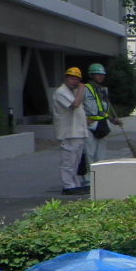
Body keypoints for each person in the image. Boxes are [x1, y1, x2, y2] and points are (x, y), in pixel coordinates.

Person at [53, 67, 89, 195]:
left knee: (76, 161)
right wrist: (81, 89)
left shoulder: (72, 92)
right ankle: (68, 185)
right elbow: (75, 105)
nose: (74, 81)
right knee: (68, 160)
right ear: (66, 78)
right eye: (72, 78)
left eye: (77, 79)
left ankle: (75, 184)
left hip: (77, 132)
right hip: (68, 133)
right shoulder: (61, 92)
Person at [81, 63, 121, 166]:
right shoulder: (84, 89)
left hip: (102, 125)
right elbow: (77, 107)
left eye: (102, 74)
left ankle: (98, 178)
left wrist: (113, 120)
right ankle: (89, 180)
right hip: (89, 126)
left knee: (101, 156)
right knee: (89, 154)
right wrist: (84, 119)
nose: (100, 76)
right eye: (97, 74)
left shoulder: (103, 90)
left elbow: (105, 109)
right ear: (91, 75)